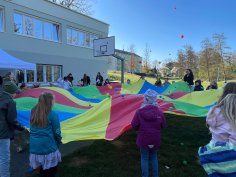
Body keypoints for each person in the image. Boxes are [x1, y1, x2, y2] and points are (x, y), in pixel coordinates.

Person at [198, 94, 236, 176]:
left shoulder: (215, 113)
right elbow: (234, 144)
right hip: (225, 152)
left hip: (212, 146)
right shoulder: (232, 124)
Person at [131, 89, 166, 177]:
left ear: (145, 99)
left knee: (144, 158)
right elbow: (164, 125)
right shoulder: (159, 112)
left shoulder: (139, 112)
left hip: (143, 139)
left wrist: (138, 128)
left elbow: (134, 125)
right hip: (155, 139)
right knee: (154, 157)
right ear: (155, 99)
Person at [29, 92, 62, 177]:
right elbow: (57, 132)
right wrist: (58, 142)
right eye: (54, 100)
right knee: (51, 172)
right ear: (50, 102)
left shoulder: (33, 111)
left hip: (34, 148)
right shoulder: (52, 114)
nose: (55, 102)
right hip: (48, 148)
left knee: (42, 172)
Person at [0, 81, 26, 177]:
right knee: (4, 158)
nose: (16, 95)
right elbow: (12, 120)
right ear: (11, 92)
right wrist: (22, 128)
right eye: (15, 92)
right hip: (2, 134)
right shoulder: (9, 101)